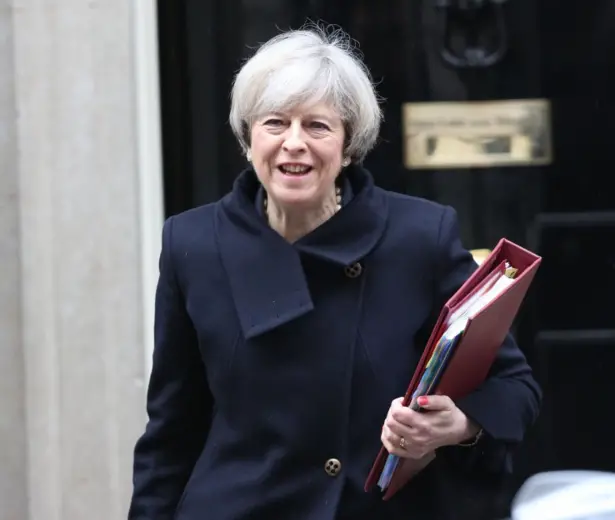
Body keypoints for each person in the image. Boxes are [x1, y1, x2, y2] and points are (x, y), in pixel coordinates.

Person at [128, 24, 541, 520]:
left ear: (348, 145)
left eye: (317, 126)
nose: (294, 143)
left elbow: (514, 385)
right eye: (275, 123)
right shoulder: (192, 244)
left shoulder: (418, 236)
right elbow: (171, 430)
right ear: (247, 140)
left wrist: (460, 422)